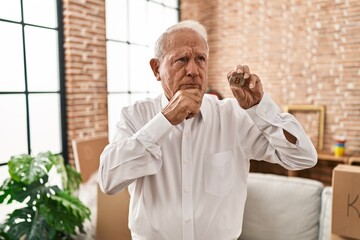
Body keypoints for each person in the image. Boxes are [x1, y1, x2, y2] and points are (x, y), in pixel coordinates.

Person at [98, 20, 317, 240]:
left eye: (200, 59)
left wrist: (260, 108)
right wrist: (165, 120)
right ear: (156, 69)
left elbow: (303, 157)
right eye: (181, 60)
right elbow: (108, 180)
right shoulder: (135, 115)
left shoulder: (234, 116)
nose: (193, 70)